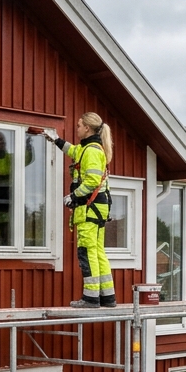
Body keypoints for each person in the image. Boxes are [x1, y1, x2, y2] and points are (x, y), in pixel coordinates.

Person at [48, 112, 116, 307]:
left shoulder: (92, 151)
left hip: (90, 207)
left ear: (87, 128)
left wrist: (73, 196)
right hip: (97, 207)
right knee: (97, 251)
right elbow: (74, 151)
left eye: (78, 125)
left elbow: (93, 180)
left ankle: (91, 298)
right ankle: (107, 297)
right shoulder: (89, 149)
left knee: (87, 251)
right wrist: (56, 140)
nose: (76, 128)